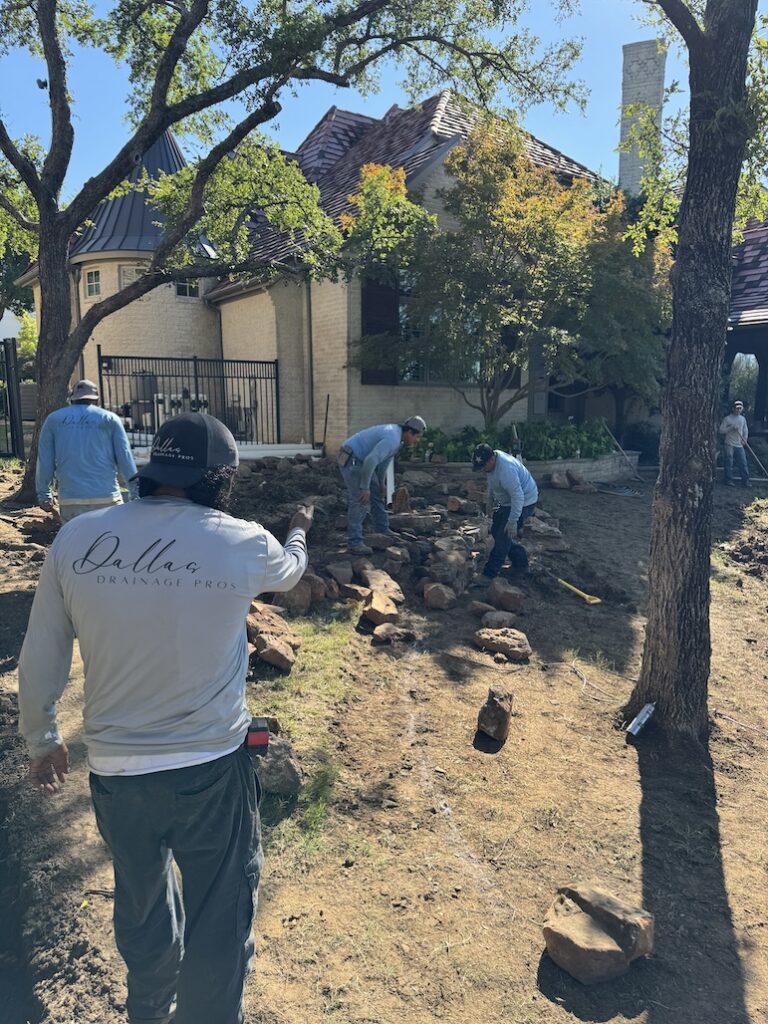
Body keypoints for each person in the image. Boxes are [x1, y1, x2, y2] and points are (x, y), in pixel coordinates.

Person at [18, 412, 313, 1024]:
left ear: (153, 470)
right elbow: (289, 571)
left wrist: (43, 738)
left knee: (143, 901)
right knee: (220, 911)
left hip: (117, 773)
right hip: (210, 768)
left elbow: (41, 650)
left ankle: (147, 1010)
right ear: (220, 478)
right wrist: (301, 529)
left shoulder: (77, 540)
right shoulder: (241, 540)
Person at [36, 378, 139, 521]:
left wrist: (44, 494)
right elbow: (125, 458)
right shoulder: (110, 419)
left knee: (76, 542)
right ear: (97, 400)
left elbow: (45, 460)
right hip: (107, 497)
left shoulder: (53, 420)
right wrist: (135, 492)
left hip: (70, 499)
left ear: (72, 399)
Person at [338, 416, 426, 554]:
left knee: (376, 495)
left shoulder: (397, 439)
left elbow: (383, 462)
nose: (417, 441)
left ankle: (382, 528)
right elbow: (371, 460)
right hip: (352, 460)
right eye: (417, 437)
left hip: (361, 460)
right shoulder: (392, 439)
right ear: (409, 432)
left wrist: (381, 484)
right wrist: (364, 487)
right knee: (361, 500)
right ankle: (354, 543)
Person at [471, 442, 538, 581]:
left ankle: (489, 574)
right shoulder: (491, 461)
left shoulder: (507, 470)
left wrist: (513, 521)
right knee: (496, 530)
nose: (483, 470)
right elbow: (492, 481)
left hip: (525, 501)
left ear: (491, 460)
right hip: (508, 500)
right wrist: (489, 500)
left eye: (483, 466)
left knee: (503, 536)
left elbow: (518, 496)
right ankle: (521, 563)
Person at [719, 400, 750, 487]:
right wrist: (731, 428)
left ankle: (745, 480)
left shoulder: (743, 419)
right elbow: (721, 430)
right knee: (729, 462)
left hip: (739, 444)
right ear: (733, 409)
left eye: (740, 408)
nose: (739, 410)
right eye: (737, 408)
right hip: (729, 444)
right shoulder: (727, 419)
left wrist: (745, 439)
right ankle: (728, 480)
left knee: (743, 462)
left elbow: (745, 430)